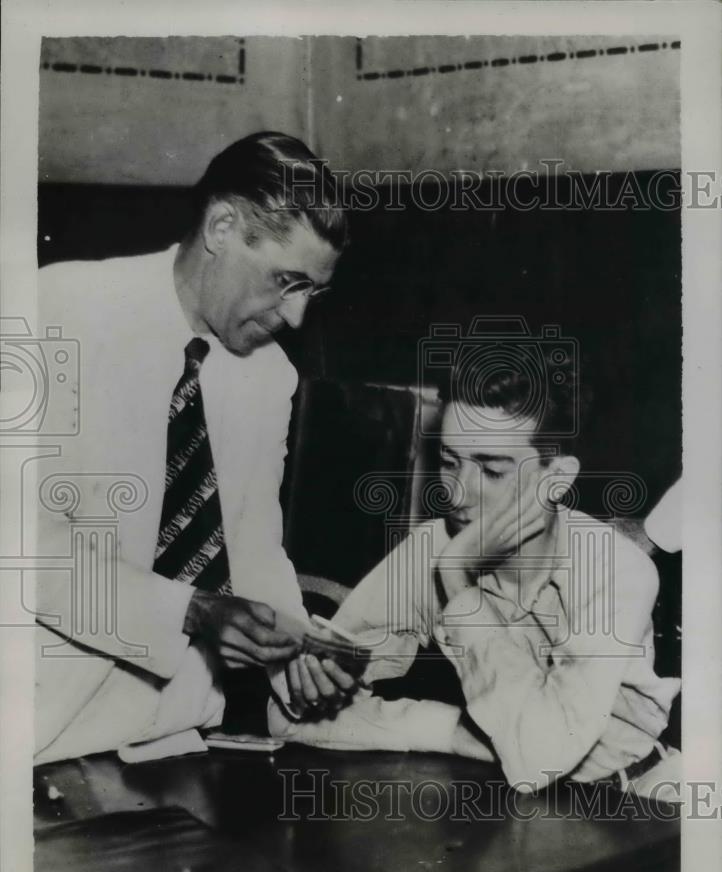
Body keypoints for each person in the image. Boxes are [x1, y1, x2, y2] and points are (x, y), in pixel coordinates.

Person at [34, 132, 356, 764]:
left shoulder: (270, 376)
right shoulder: (57, 312)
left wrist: (291, 650)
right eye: (286, 280)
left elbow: (253, 546)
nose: (295, 318)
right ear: (222, 226)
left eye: (311, 292)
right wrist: (189, 610)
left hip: (176, 730)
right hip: (44, 731)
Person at [269, 347, 682, 800]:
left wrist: (459, 584)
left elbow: (537, 758)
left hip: (637, 797)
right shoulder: (434, 547)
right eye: (449, 462)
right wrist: (453, 731)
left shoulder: (617, 570)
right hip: (506, 798)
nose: (458, 493)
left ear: (556, 479)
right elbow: (291, 715)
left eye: (490, 469)